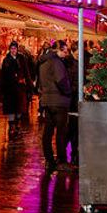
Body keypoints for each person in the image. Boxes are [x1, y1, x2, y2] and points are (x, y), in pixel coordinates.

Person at [38, 40, 73, 172]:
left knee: (48, 131)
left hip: (47, 100)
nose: (66, 53)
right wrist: (68, 91)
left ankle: (49, 160)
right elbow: (61, 80)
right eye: (65, 50)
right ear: (59, 50)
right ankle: (61, 160)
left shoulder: (43, 62)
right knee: (61, 131)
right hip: (59, 100)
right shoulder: (56, 62)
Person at [0, 41, 29, 134]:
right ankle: (12, 126)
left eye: (15, 48)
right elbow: (5, 75)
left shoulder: (21, 59)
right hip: (10, 89)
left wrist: (26, 81)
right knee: (11, 108)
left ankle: (17, 125)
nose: (13, 50)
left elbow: (26, 71)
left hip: (20, 88)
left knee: (19, 108)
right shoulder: (6, 60)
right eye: (12, 49)